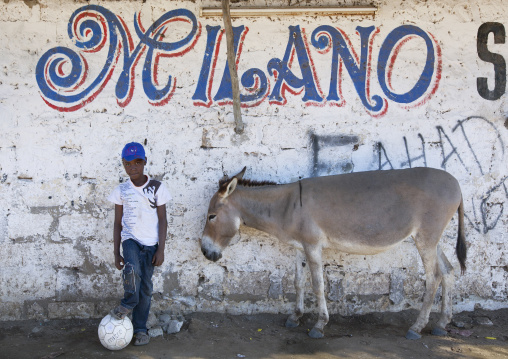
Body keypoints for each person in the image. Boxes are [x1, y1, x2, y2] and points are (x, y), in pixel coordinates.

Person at [107, 142, 172, 346]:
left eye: (137, 162)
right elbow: (117, 223)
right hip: (130, 239)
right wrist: (117, 253)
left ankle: (140, 329)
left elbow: (163, 219)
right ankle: (127, 303)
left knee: (145, 287)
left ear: (144, 162)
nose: (132, 167)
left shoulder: (157, 188)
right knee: (132, 269)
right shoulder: (121, 190)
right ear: (123, 165)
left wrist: (161, 248)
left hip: (151, 244)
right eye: (128, 164)